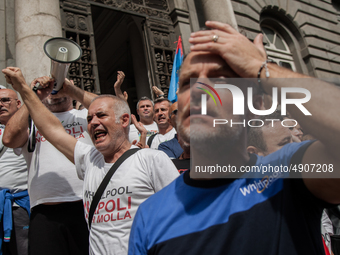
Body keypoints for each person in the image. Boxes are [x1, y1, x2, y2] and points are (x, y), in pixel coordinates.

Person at [128, 21, 340, 255]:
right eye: (188, 83)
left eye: (219, 79)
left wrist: (261, 69)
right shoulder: (150, 216)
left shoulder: (287, 175)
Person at [1, 68, 179, 255]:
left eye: (100, 116)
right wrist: (26, 90)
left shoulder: (152, 159)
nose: (93, 122)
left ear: (124, 120)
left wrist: (71, 89)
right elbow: (51, 129)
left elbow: (181, 213)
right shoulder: (89, 160)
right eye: (89, 118)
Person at [3, 76, 96, 255]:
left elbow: (114, 109)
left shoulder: (86, 116)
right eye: (52, 88)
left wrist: (72, 90)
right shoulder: (31, 121)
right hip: (44, 210)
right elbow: (9, 139)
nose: (56, 92)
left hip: (87, 205)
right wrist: (32, 96)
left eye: (61, 87)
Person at [0, 87, 29, 255]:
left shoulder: (30, 127)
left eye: (5, 100)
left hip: (18, 206)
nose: (1, 104)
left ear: (19, 104)